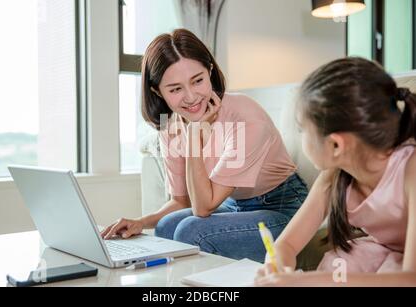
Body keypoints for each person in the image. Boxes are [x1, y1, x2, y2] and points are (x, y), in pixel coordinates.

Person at [101, 29, 308, 262]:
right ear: (157, 91)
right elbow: (181, 201)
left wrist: (193, 135)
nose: (191, 97)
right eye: (175, 89)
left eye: (197, 81)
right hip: (233, 206)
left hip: (283, 208)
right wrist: (141, 222)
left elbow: (203, 208)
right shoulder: (169, 125)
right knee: (167, 227)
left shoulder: (243, 118)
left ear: (209, 71)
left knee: (191, 231)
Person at [255, 57, 416, 286]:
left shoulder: (411, 170)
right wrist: (277, 265)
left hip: (409, 271)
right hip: (384, 251)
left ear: (336, 145)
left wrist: (309, 282)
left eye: (302, 129)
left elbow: (411, 278)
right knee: (340, 261)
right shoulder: (335, 175)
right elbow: (287, 244)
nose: (299, 137)